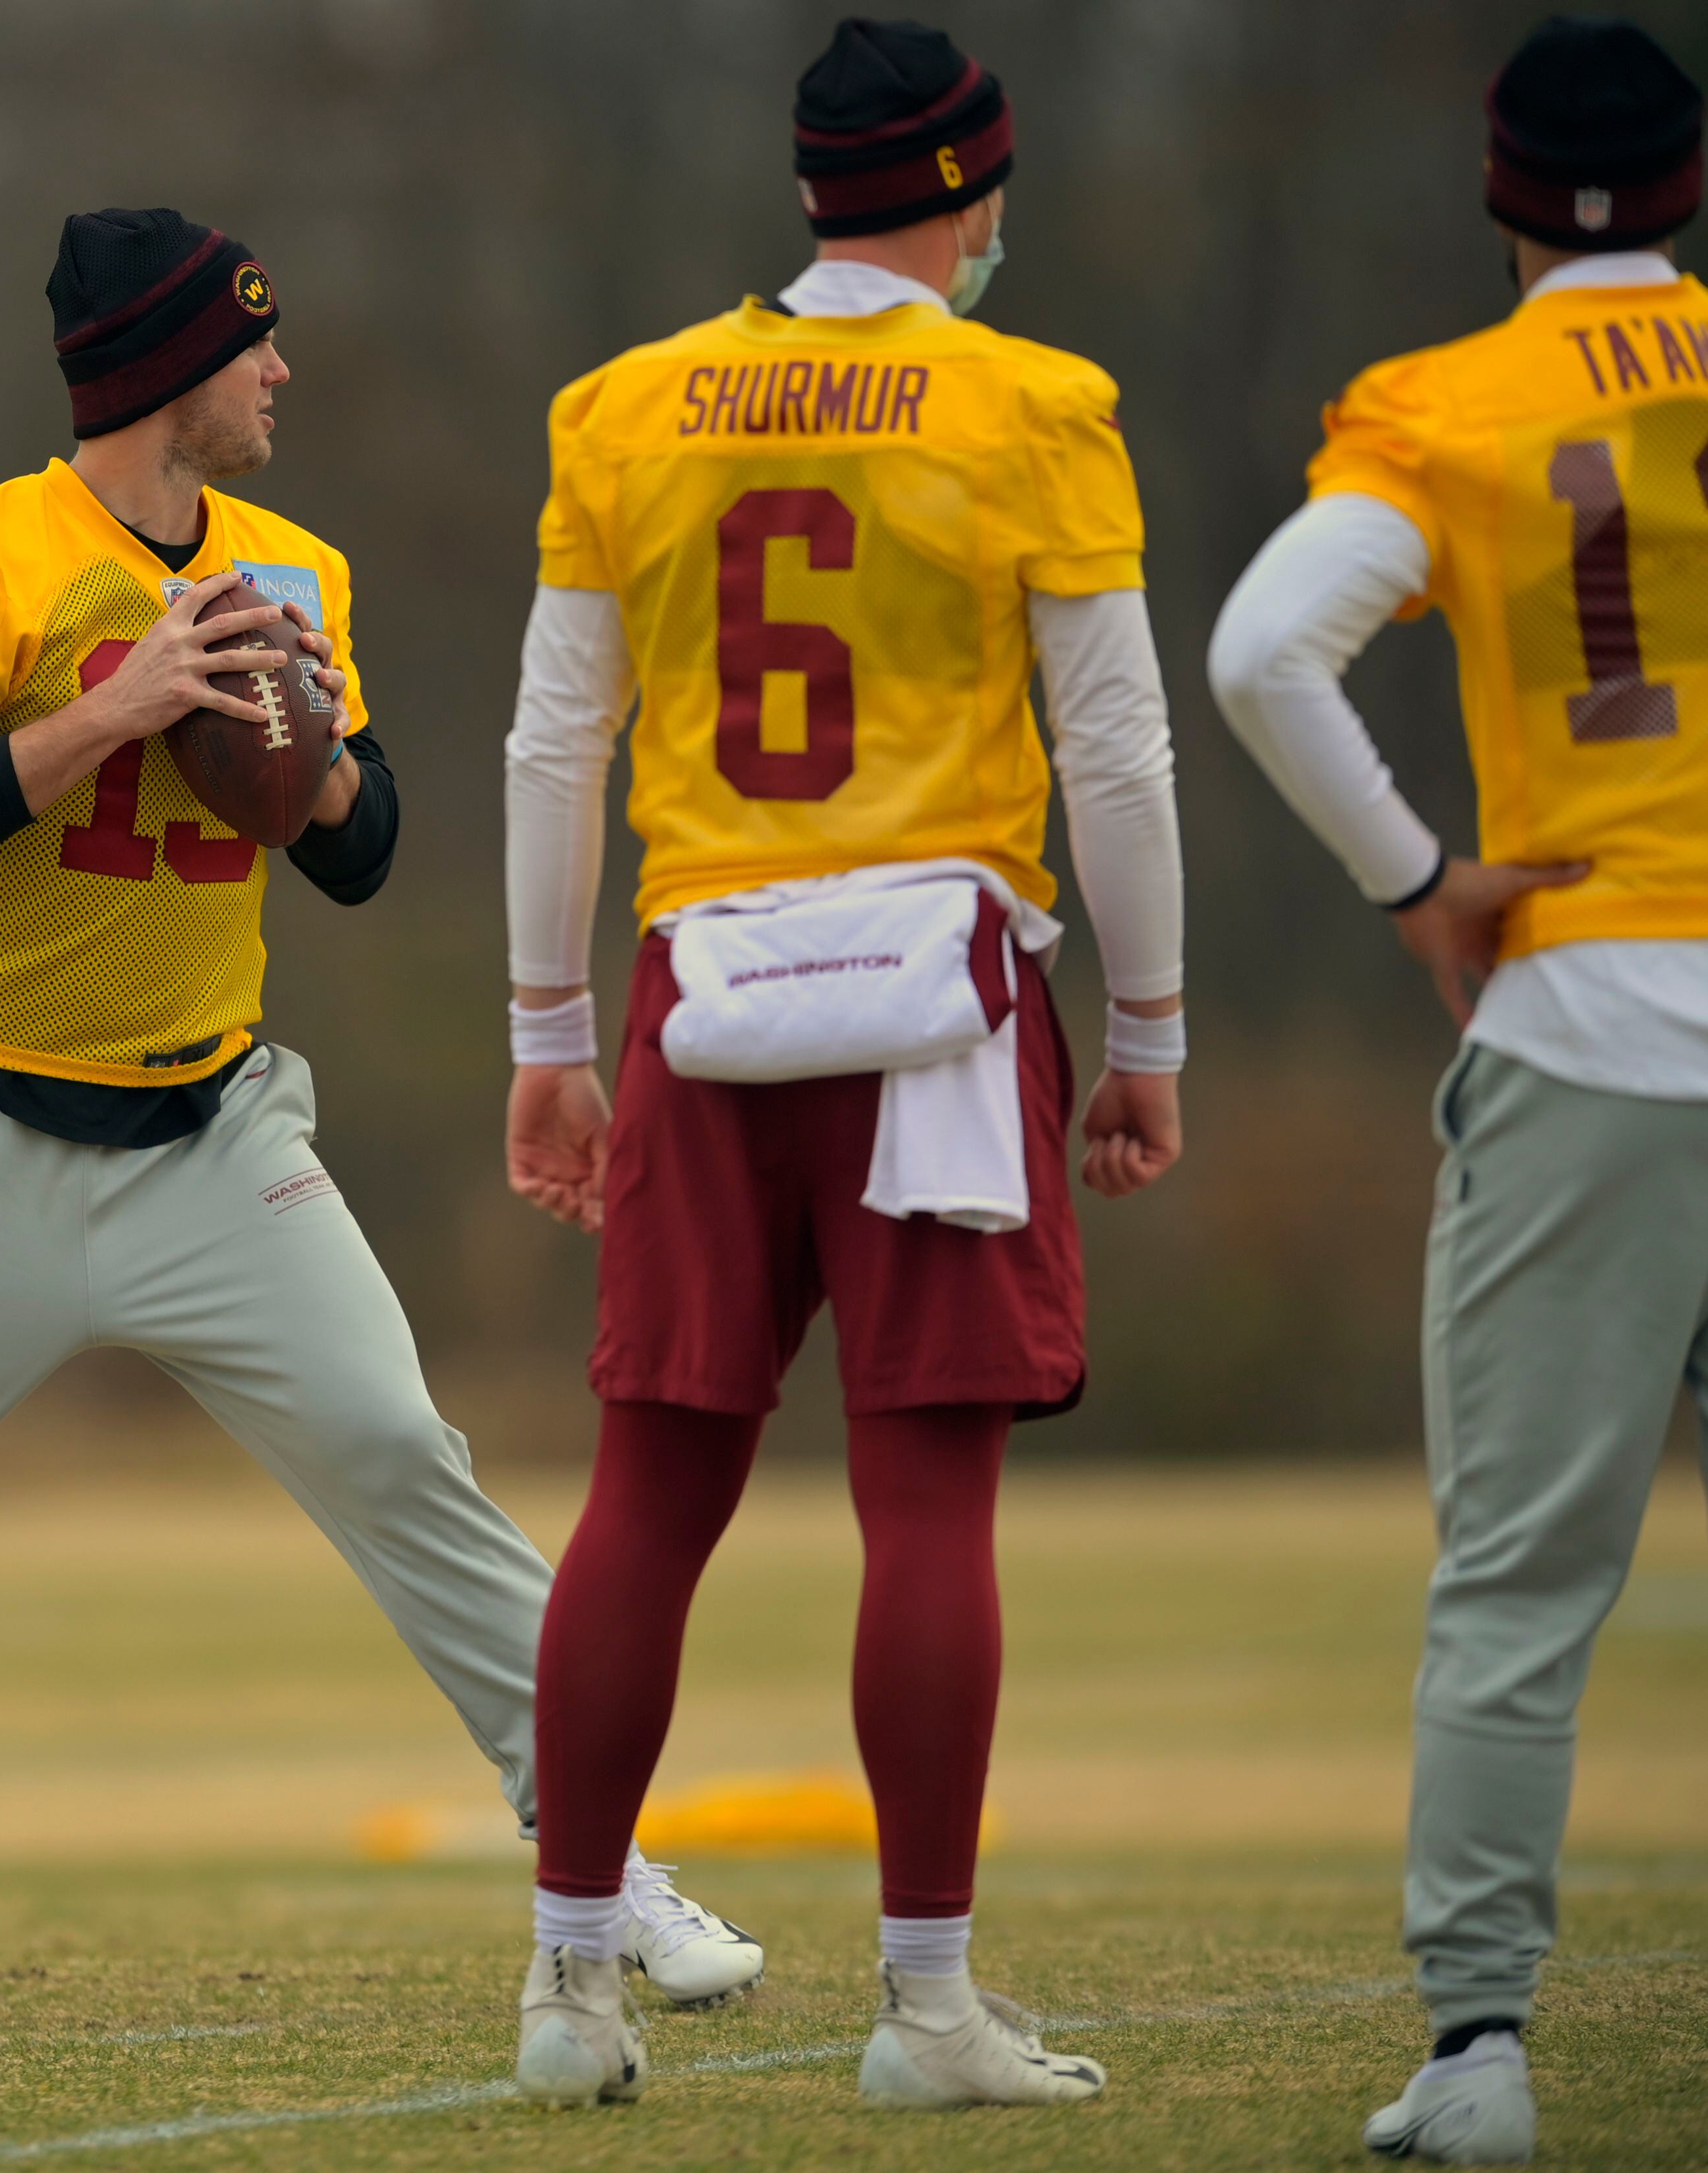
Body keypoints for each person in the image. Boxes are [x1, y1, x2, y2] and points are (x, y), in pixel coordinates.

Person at [0, 208, 757, 2022]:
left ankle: (604, 1873)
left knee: (410, 1467)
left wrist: (303, 757)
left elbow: (365, 848)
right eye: (253, 344)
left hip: (212, 1141)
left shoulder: (289, 566)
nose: (280, 372)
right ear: (166, 369)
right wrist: (124, 707)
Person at [1210, 19, 1708, 2163]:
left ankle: (1476, 2059)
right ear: (1692, 185)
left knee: (1518, 1576)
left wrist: (1416, 887)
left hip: (1589, 1030)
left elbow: (1264, 652)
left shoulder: (1450, 408)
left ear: (1495, 186)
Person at [501, 17, 1185, 2110]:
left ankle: (566, 1987)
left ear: (809, 189)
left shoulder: (625, 407)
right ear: (967, 194)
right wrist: (1147, 1027)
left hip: (700, 975)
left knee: (650, 1488)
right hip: (935, 995)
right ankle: (923, 2012)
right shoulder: (1033, 404)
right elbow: (1114, 747)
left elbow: (555, 740)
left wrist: (542, 1032)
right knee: (925, 1500)